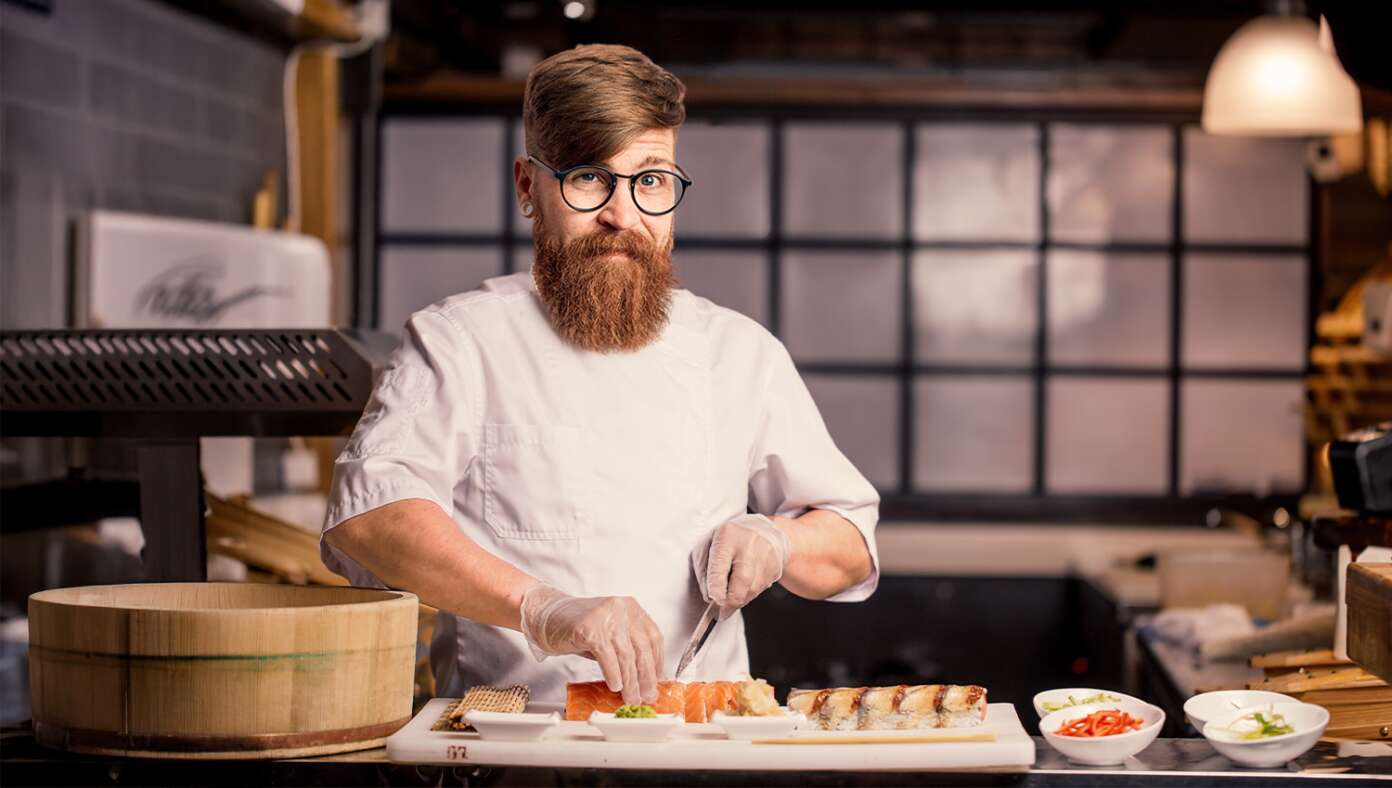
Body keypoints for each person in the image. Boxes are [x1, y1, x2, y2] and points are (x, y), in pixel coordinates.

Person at [320, 43, 879, 706]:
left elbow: (850, 542)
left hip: (700, 743)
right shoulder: (460, 341)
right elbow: (372, 518)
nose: (624, 213)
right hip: (512, 746)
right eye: (588, 178)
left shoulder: (740, 353)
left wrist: (778, 540)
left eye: (651, 180)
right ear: (530, 187)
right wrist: (542, 608)